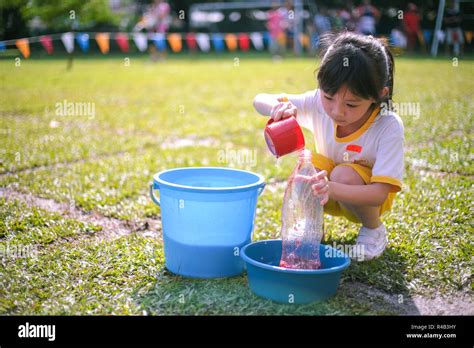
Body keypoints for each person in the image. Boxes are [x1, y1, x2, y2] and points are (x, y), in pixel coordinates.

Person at [253, 32, 404, 261]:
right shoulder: (317, 103)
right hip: (327, 190)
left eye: (351, 104)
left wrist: (331, 188)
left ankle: (374, 230)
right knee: (307, 164)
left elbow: (377, 194)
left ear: (378, 95)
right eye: (328, 96)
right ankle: (312, 227)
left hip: (363, 200)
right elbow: (259, 99)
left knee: (343, 173)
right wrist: (277, 108)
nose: (336, 111)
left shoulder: (387, 125)